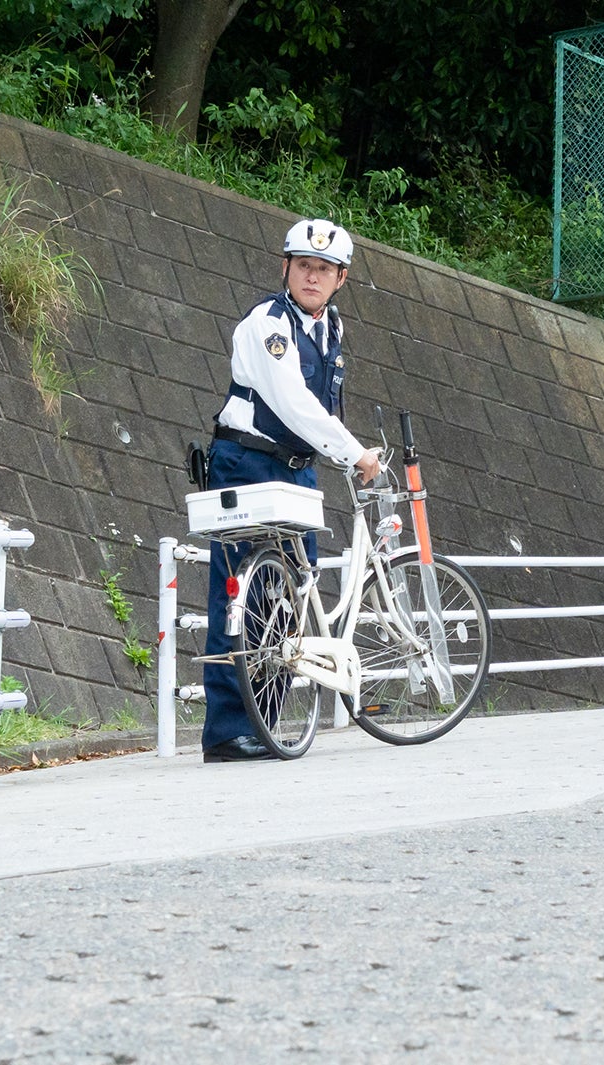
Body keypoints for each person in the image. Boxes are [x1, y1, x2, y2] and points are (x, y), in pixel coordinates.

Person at [200, 218, 382, 763]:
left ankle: (267, 724)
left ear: (340, 279)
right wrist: (354, 453)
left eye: (323, 269)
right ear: (285, 268)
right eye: (303, 265)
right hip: (247, 464)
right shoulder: (268, 324)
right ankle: (230, 730)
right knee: (241, 593)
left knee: (289, 597)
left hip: (298, 469)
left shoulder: (332, 330)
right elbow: (292, 401)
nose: (312, 276)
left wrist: (339, 452)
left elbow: (325, 405)